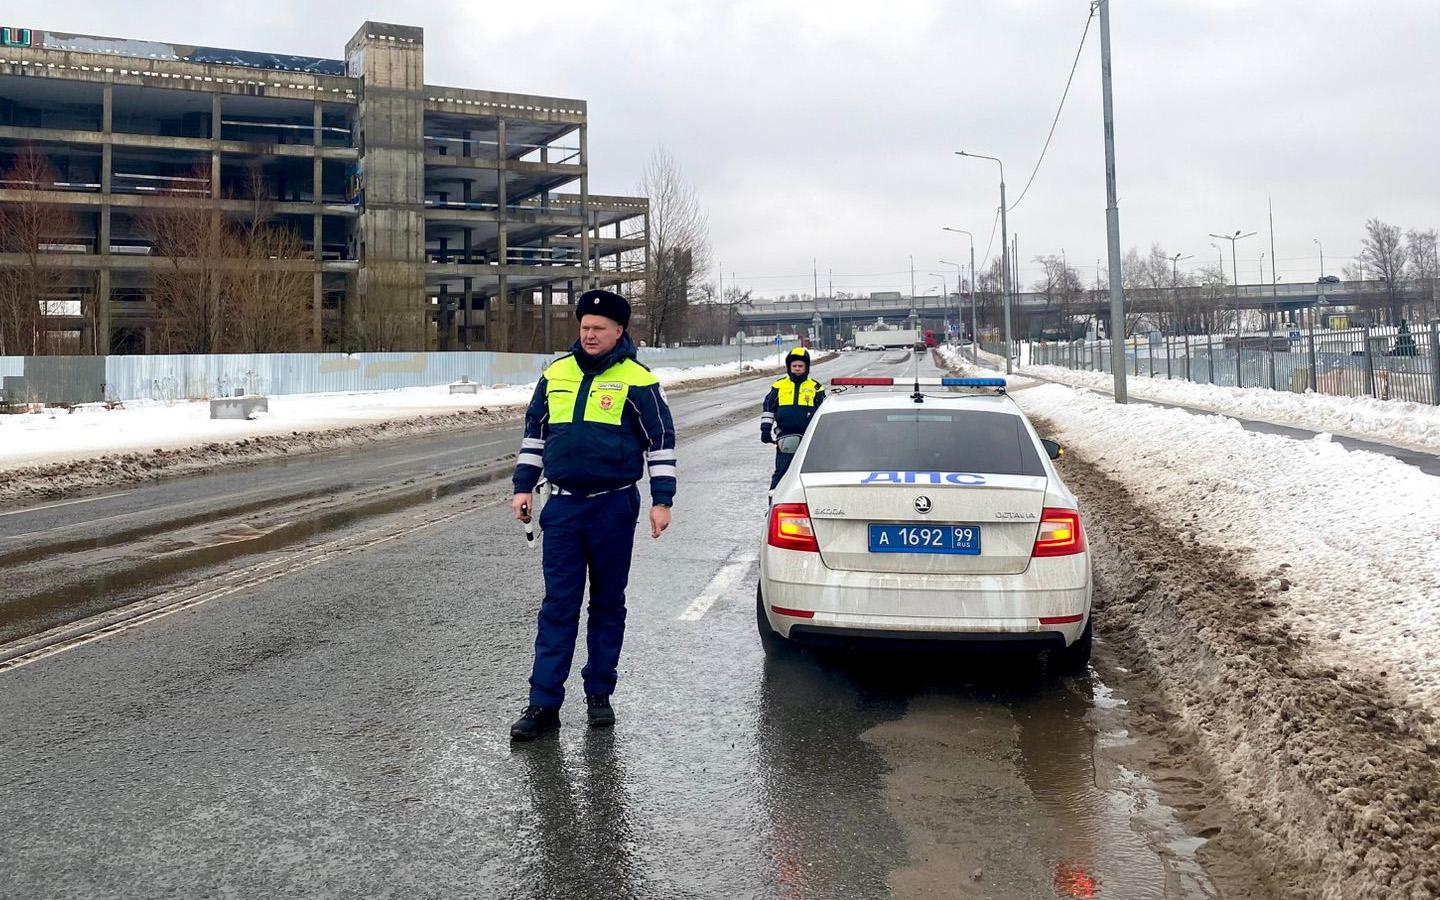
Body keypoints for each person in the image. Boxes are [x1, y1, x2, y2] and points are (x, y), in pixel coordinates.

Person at [509, 288, 676, 742]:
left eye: (599, 328)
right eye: (584, 327)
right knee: (558, 606)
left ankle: (599, 693)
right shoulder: (555, 374)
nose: (590, 334)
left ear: (619, 331)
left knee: (606, 603)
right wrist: (523, 486)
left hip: (612, 506)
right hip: (561, 507)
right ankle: (543, 703)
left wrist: (663, 500)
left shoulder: (637, 380)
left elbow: (660, 441)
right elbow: (534, 436)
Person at [760, 346, 825, 490]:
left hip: (809, 437)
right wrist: (765, 430)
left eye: (800, 366)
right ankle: (774, 501)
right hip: (785, 437)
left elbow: (822, 412)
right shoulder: (779, 385)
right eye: (794, 365)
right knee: (782, 471)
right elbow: (768, 409)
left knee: (809, 473)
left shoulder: (816, 387)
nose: (797, 368)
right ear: (789, 367)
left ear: (806, 367)